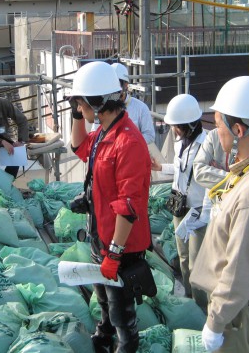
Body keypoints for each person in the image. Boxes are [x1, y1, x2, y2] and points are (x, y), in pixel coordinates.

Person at [190, 76, 249, 352]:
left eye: (219, 125)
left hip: (238, 318)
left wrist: (215, 322)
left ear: (237, 130)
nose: (216, 131)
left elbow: (239, 270)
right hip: (241, 311)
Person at [68, 61, 151, 352]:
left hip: (121, 244)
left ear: (97, 102)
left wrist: (115, 254)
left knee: (120, 310)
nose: (79, 107)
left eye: (81, 102)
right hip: (100, 234)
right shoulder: (104, 131)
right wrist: (76, 114)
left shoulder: (127, 142)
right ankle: (104, 338)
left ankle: (126, 345)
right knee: (103, 298)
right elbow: (79, 147)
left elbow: (128, 207)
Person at [150, 94, 208, 309]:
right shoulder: (180, 142)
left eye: (177, 126)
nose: (174, 130)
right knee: (183, 257)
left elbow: (207, 175)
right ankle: (190, 297)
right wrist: (161, 168)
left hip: (198, 209)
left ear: (189, 124)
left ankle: (202, 305)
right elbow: (181, 170)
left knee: (196, 260)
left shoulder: (208, 143)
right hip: (180, 206)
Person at [111, 62, 156, 144]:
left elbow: (150, 135)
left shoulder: (140, 108)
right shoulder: (102, 107)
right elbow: (96, 132)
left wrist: (129, 143)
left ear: (126, 85)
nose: (114, 90)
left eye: (117, 85)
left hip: (132, 154)